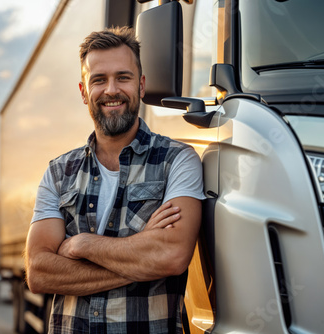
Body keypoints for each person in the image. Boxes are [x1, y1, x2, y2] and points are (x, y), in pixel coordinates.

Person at [25, 26, 205, 334]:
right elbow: (39, 272)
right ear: (84, 92)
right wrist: (142, 258)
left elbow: (172, 256)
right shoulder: (58, 173)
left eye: (123, 77)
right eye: (98, 79)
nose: (111, 90)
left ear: (141, 85)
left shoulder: (178, 161)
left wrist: (81, 244)